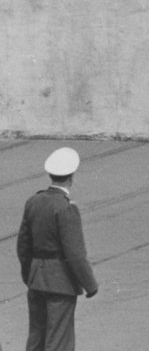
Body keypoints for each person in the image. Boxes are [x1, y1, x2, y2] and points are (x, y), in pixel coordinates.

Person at [17, 147, 99, 351]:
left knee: (36, 337)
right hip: (60, 283)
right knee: (58, 340)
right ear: (71, 177)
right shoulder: (66, 208)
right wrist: (90, 284)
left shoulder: (34, 201)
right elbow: (75, 254)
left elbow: (23, 246)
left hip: (36, 279)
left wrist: (29, 275)